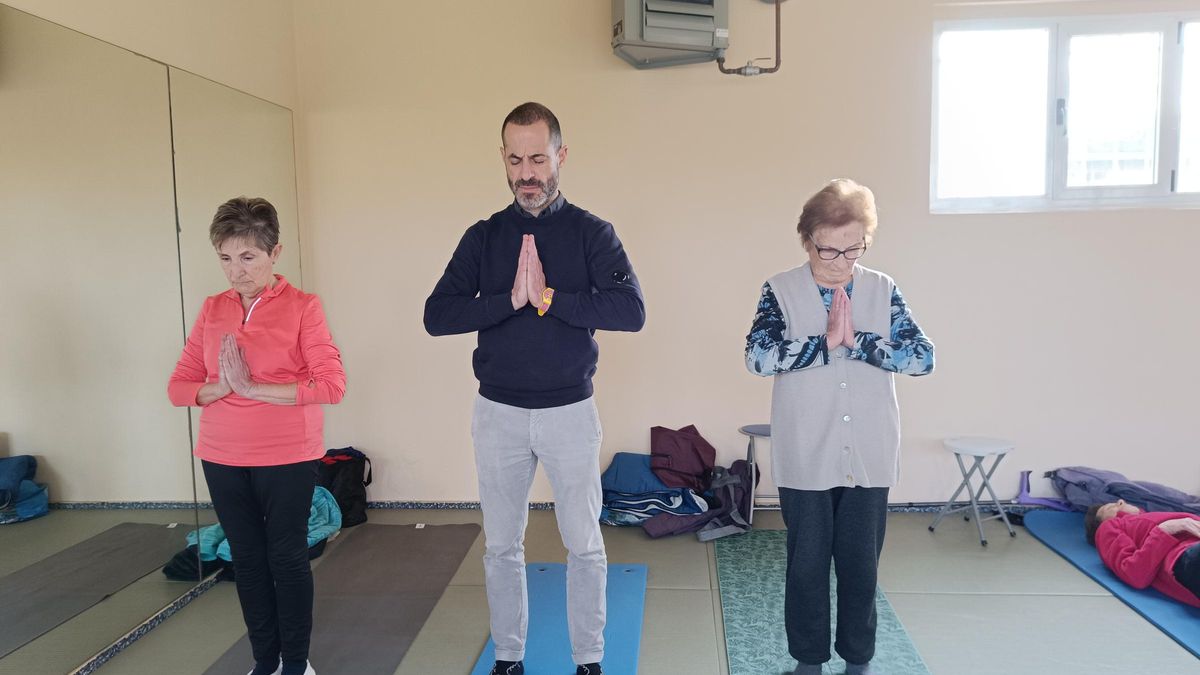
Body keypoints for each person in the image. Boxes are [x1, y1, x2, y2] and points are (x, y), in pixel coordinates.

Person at [424, 102, 644, 675]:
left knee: (585, 544)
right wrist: (509, 302)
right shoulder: (484, 237)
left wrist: (552, 300)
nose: (527, 174)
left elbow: (630, 310)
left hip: (570, 411)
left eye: (538, 159)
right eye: (516, 160)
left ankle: (589, 659)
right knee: (501, 546)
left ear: (561, 157)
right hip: (498, 413)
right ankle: (509, 657)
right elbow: (437, 315)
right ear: (503, 158)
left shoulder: (592, 233)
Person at [744, 179, 934, 675]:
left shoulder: (882, 288)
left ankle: (859, 660)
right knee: (806, 566)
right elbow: (758, 359)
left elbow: (923, 358)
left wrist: (863, 343)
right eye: (829, 249)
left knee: (861, 567)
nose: (841, 260)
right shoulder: (779, 290)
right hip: (805, 453)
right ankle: (808, 660)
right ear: (807, 239)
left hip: (870, 453)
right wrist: (822, 345)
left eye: (854, 248)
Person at [168, 197, 346, 675]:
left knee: (285, 558)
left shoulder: (304, 307)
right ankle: (264, 663)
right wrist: (218, 388)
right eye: (225, 258)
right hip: (221, 454)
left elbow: (330, 385)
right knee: (246, 559)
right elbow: (178, 386)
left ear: (274, 252)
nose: (235, 272)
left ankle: (296, 664)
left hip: (287, 454)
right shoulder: (212, 309)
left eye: (247, 257)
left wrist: (252, 388)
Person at [1085, 499, 1200, 608]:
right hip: (1183, 556)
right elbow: (1134, 574)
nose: (1120, 502)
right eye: (1110, 507)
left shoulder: (1148, 516)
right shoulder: (1108, 527)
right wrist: (1165, 530)